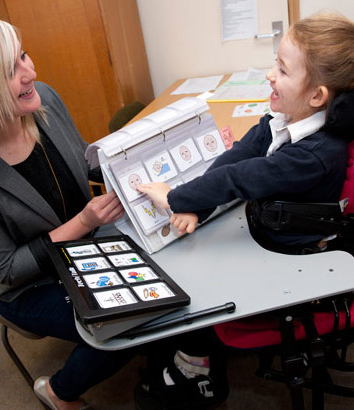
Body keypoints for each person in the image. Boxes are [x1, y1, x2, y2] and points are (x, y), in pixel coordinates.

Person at [134, 13, 354, 410]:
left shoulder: (317, 155)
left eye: (282, 70)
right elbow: (242, 154)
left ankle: (197, 370)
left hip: (286, 256)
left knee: (192, 283)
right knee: (191, 249)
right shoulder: (289, 116)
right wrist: (197, 203)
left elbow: (244, 178)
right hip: (264, 223)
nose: (270, 75)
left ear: (317, 96)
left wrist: (176, 197)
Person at [0, 16, 133, 410]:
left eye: (23, 56)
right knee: (122, 327)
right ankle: (58, 392)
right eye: (10, 69)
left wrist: (144, 158)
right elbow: (8, 269)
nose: (30, 71)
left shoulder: (44, 99)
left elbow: (82, 157)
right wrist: (84, 222)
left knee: (159, 292)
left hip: (87, 244)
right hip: (29, 286)